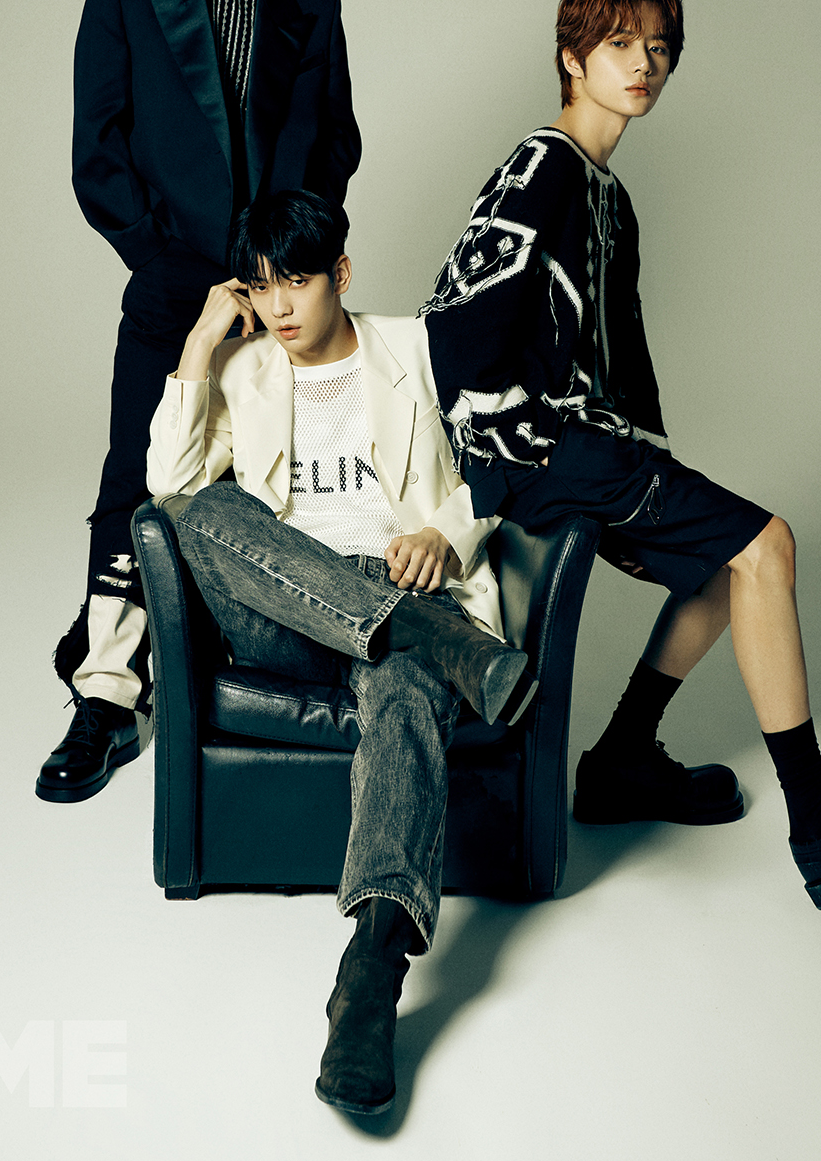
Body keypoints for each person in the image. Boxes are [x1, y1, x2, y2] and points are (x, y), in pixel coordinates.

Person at [421, 0, 821, 909]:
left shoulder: (608, 193)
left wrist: (647, 459)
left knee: (722, 568)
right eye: (620, 45)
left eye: (659, 49)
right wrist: (518, 449)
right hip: (546, 454)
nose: (644, 64)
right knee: (768, 546)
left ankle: (623, 759)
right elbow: (454, 320)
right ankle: (819, 821)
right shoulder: (544, 165)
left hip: (590, 448)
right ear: (572, 59)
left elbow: (619, 358)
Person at [145, 189, 530, 1114]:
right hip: (290, 619)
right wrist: (200, 344)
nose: (280, 307)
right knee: (203, 512)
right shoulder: (242, 368)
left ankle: (369, 978)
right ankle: (433, 638)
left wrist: (445, 535)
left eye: (299, 282)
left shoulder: (416, 349)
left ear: (341, 274)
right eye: (261, 287)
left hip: (403, 580)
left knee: (403, 690)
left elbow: (503, 462)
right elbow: (168, 485)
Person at [36, 0, 361, 804]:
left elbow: (333, 144)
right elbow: (99, 144)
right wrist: (163, 261)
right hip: (172, 275)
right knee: (136, 475)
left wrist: (287, 266)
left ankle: (220, 655)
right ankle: (105, 694)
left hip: (279, 287)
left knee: (270, 478)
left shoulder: (312, 1)